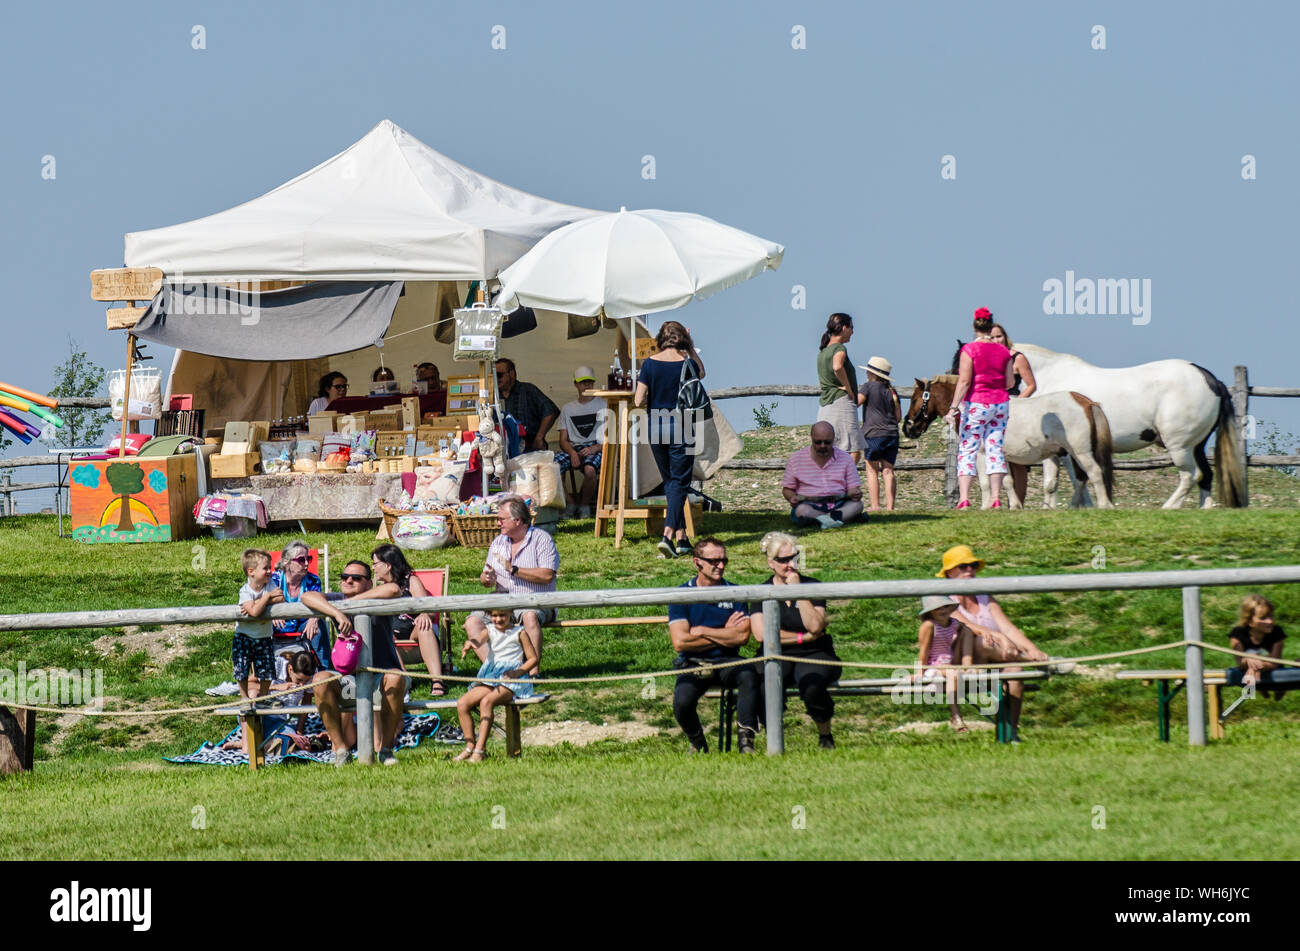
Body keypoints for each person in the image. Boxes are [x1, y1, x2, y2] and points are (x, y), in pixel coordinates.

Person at [301, 553, 414, 766]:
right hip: (349, 679)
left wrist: (350, 605)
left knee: (395, 677)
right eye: (344, 577)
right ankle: (341, 751)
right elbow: (307, 597)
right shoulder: (338, 603)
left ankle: (386, 750)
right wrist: (338, 613)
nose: (348, 581)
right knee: (320, 680)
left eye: (356, 578)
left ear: (368, 583)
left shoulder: (378, 597)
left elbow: (394, 589)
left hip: (384, 677)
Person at [938, 545, 1049, 743]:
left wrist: (1032, 647)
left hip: (996, 658)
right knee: (982, 641)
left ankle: (1011, 733)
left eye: (972, 565)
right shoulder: (944, 599)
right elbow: (967, 626)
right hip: (962, 660)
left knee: (1015, 670)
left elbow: (1007, 628)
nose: (970, 570)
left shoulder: (985, 596)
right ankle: (1036, 661)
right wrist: (1003, 640)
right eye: (963, 566)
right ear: (950, 572)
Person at [749, 532, 840, 749]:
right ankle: (774, 741)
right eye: (784, 560)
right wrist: (802, 637)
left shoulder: (812, 586)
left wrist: (798, 592)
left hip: (815, 652)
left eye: (795, 558)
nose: (791, 564)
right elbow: (761, 634)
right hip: (776, 652)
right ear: (771, 563)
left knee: (812, 683)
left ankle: (825, 736)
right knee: (762, 683)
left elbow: (816, 626)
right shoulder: (760, 591)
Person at [668, 537, 759, 754]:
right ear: (696, 562)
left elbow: (741, 638)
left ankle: (746, 739)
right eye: (714, 561)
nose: (721, 566)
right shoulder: (681, 595)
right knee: (682, 702)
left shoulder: (735, 592)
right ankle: (698, 742)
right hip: (694, 662)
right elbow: (680, 641)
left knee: (749, 673)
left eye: (724, 560)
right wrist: (725, 631)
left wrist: (702, 631)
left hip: (728, 660)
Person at [635, 320, 706, 559]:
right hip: (682, 426)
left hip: (655, 427)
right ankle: (667, 534)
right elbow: (702, 372)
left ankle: (682, 538)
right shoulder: (687, 363)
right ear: (682, 339)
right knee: (679, 483)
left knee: (671, 483)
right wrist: (691, 345)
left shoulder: (649, 364)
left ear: (660, 339)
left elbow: (637, 400)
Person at [463, 497, 558, 673]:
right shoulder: (498, 542)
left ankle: (531, 672)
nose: (498, 523)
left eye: (502, 519)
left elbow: (547, 576)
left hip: (535, 601)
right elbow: (485, 578)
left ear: (518, 520)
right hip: (503, 602)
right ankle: (496, 669)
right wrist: (486, 578)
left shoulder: (541, 539)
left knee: (529, 616)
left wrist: (513, 569)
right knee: (472, 622)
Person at [945, 307, 1015, 509]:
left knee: (968, 449)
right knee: (995, 449)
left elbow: (965, 381)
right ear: (991, 325)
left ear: (974, 326)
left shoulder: (969, 350)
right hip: (1000, 403)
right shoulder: (1004, 351)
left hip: (977, 403)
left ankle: (965, 498)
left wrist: (953, 407)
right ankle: (995, 498)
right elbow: (1010, 382)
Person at [454, 607, 539, 762]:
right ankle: (469, 746)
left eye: (502, 615)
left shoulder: (519, 633)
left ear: (510, 614)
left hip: (511, 679)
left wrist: (517, 672)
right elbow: (478, 640)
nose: (498, 619)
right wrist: (470, 644)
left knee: (487, 702)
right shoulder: (490, 629)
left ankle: (480, 750)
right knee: (462, 703)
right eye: (494, 615)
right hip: (491, 676)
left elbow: (533, 658)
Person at [368, 544, 445, 696]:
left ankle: (437, 681)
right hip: (393, 642)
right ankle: (404, 681)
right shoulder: (381, 589)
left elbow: (428, 610)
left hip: (415, 635)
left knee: (424, 627)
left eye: (375, 563)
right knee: (385, 634)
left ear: (388, 565)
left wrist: (423, 614)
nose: (373, 568)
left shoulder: (411, 581)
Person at [989, 323, 1038, 505]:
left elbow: (1031, 384)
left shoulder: (1017, 358)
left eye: (999, 336)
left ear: (1005, 336)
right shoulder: (987, 358)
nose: (996, 340)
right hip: (992, 408)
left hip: (1013, 409)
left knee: (1017, 461)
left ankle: (1019, 503)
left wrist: (1016, 402)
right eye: (992, 337)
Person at [781, 421, 864, 529]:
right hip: (809, 504)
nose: (822, 446)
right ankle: (834, 519)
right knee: (802, 510)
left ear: (834, 439)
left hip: (839, 503)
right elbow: (787, 489)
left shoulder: (846, 458)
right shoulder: (796, 459)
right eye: (818, 442)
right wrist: (792, 497)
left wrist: (855, 493)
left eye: (827, 442)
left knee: (857, 505)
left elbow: (853, 487)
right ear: (811, 438)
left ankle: (821, 520)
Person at [916, 595, 976, 733]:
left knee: (967, 630)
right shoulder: (929, 625)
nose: (942, 610)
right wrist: (920, 673)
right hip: (934, 666)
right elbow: (923, 652)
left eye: (945, 606)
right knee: (952, 673)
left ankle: (968, 664)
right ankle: (955, 715)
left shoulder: (954, 623)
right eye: (937, 608)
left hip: (951, 662)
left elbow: (969, 629)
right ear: (930, 612)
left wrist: (987, 634)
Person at [556, 365, 606, 518]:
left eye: (589, 382)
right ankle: (570, 504)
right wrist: (572, 453)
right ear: (576, 384)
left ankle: (584, 506)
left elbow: (612, 436)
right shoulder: (568, 409)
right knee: (552, 468)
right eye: (583, 382)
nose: (586, 385)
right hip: (574, 447)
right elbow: (562, 440)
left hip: (597, 446)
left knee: (590, 470)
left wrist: (596, 447)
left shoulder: (603, 404)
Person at [233, 549, 282, 705]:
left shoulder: (270, 584)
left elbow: (280, 597)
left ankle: (264, 696)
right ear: (251, 572)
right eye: (266, 568)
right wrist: (267, 598)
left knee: (267, 669)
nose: (270, 571)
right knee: (242, 667)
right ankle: (244, 697)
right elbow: (254, 612)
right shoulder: (245, 591)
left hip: (264, 635)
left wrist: (260, 602)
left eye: (270, 567)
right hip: (244, 636)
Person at [816, 313, 866, 462]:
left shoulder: (823, 351)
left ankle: (830, 482)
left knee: (831, 449)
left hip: (826, 405)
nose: (853, 331)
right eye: (852, 327)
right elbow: (837, 367)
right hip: (841, 402)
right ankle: (844, 482)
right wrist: (849, 389)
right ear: (844, 328)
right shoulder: (839, 348)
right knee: (853, 449)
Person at [269, 540, 325, 672]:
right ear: (286, 562)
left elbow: (319, 604)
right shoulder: (273, 580)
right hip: (275, 626)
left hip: (302, 625)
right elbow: (260, 600)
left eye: (309, 559)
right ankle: (262, 673)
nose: (306, 564)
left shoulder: (313, 580)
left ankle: (324, 671)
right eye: (301, 560)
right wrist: (271, 612)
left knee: (319, 626)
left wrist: (314, 618)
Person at [857, 355, 901, 512]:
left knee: (872, 470)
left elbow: (857, 401)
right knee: (888, 471)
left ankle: (875, 505)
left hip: (873, 433)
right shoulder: (892, 390)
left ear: (871, 373)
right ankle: (890, 506)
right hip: (892, 434)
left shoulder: (868, 386)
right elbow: (898, 417)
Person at [495, 357, 559, 451]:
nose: (496, 379)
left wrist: (539, 437)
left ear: (512, 373)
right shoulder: (494, 396)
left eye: (499, 375)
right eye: (493, 376)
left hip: (529, 447)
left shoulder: (528, 390)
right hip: (503, 449)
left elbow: (551, 411)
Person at [1228, 594, 1286, 688]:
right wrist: (1249, 659)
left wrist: (1256, 664)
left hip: (1272, 670)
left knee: (1279, 687)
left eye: (1271, 616)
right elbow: (1240, 663)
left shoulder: (1276, 632)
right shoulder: (1238, 633)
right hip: (1249, 670)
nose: (1270, 621)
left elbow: (1274, 663)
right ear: (1249, 621)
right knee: (1251, 679)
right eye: (1263, 618)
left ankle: (1280, 690)